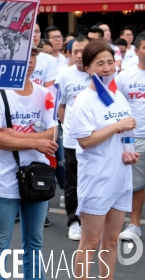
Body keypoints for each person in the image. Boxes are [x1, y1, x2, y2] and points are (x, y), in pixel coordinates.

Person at [69, 40, 139, 280]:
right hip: (97, 179)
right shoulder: (84, 100)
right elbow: (86, 141)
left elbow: (124, 135)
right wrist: (117, 125)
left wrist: (129, 153)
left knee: (110, 241)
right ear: (88, 68)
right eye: (100, 64)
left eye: (110, 62)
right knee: (90, 241)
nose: (107, 68)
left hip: (121, 177)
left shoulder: (117, 97)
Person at [0, 45, 58, 280]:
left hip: (37, 176)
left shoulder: (44, 93)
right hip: (4, 178)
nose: (29, 61)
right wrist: (36, 143)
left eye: (33, 56)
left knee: (35, 242)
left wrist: (17, 137)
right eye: (22, 57)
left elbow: (53, 135)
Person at [55, 35, 92, 241]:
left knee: (93, 180)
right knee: (73, 184)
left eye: (83, 51)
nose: (79, 55)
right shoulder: (64, 76)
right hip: (72, 140)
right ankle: (74, 221)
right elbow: (60, 105)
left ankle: (91, 218)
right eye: (75, 51)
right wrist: (67, 126)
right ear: (69, 53)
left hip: (95, 140)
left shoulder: (97, 73)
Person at [116, 32, 145, 240]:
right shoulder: (125, 76)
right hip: (136, 137)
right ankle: (134, 224)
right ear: (136, 51)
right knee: (137, 184)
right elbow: (114, 103)